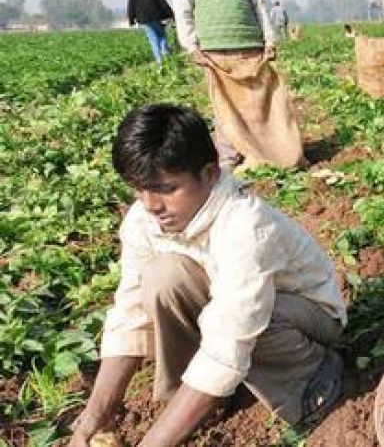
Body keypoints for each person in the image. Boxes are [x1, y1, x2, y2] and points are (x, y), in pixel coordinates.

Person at [68, 104, 346, 447]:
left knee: (255, 318)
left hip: (308, 315)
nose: (151, 203)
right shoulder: (145, 219)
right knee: (163, 276)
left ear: (210, 173)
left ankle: (310, 387)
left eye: (167, 188)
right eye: (139, 188)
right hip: (231, 306)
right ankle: (201, 401)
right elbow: (130, 315)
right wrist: (96, 415)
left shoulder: (245, 225)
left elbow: (233, 332)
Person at [171, 0, 306, 170]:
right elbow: (183, 11)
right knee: (224, 106)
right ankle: (228, 156)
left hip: (250, 45)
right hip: (214, 49)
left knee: (258, 102)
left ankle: (266, 149)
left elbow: (259, 6)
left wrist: (269, 40)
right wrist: (191, 46)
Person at [127, 0, 175, 66]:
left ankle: (159, 61)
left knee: (153, 39)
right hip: (156, 18)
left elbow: (130, 7)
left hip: (144, 20)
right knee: (162, 36)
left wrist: (131, 21)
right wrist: (171, 15)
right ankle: (165, 54)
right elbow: (164, 5)